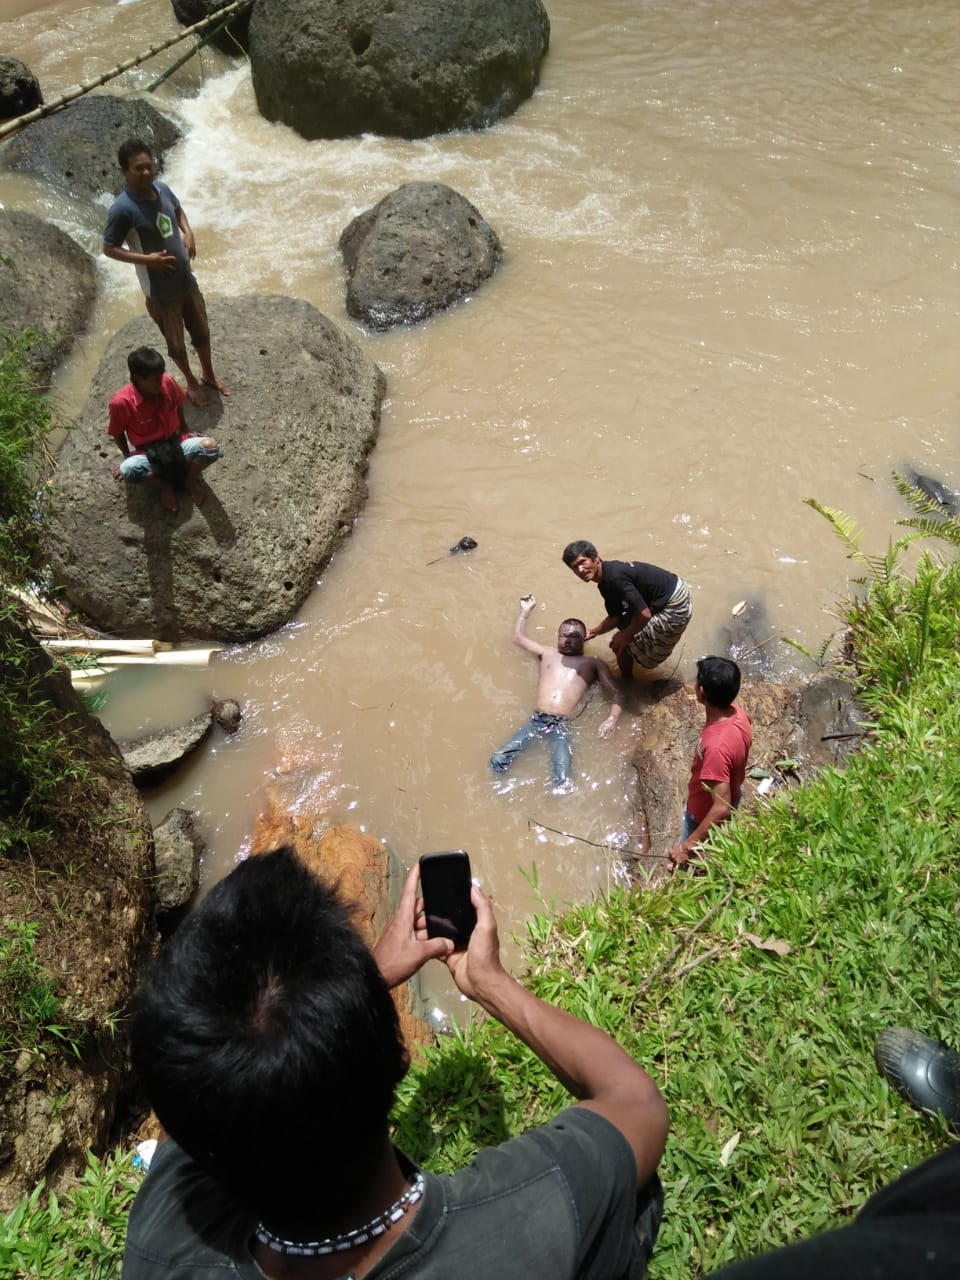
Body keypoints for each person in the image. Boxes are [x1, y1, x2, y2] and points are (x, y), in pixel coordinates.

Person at [122, 847, 669, 1279]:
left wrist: (361, 981)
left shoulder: (163, 1244)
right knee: (635, 1197)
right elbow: (633, 1101)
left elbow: (202, 1087)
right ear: (399, 1060)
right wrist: (489, 984)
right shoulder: (527, 1221)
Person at [103, 138, 229, 407]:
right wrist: (146, 259)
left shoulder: (162, 188)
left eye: (149, 166)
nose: (146, 172)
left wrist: (189, 232)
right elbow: (109, 248)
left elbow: (178, 208)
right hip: (160, 292)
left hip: (186, 281)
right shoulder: (122, 209)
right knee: (176, 343)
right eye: (139, 169)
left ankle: (208, 374)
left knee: (202, 331)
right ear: (125, 171)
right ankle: (191, 384)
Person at [490, 594, 624, 792]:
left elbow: (618, 694)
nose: (568, 640)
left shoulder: (593, 663)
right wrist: (525, 611)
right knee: (498, 759)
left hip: (562, 725)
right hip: (536, 721)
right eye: (564, 636)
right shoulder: (547, 654)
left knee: (562, 781)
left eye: (574, 637)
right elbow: (518, 638)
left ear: (585, 638)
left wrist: (612, 719)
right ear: (558, 636)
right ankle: (497, 798)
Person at [109, 346, 221, 513]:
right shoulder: (121, 402)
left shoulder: (167, 382)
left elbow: (178, 404)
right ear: (139, 379)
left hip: (176, 443)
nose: (160, 382)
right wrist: (127, 456)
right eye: (154, 379)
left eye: (161, 376)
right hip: (148, 453)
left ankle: (188, 481)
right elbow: (118, 433)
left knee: (211, 448)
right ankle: (164, 486)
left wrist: (185, 429)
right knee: (128, 471)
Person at [667, 656, 752, 870]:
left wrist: (686, 847)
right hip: (734, 791)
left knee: (687, 860)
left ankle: (685, 876)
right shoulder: (739, 714)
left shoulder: (716, 747)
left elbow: (721, 808)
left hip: (702, 812)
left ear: (701, 692)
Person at [562, 541, 692, 678]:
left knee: (621, 645)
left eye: (583, 562)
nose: (580, 570)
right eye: (575, 567)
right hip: (664, 596)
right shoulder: (605, 581)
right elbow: (615, 617)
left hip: (676, 602)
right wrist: (592, 632)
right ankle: (629, 672)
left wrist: (625, 636)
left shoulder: (615, 577)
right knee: (624, 624)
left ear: (596, 558)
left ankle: (627, 684)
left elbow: (644, 615)